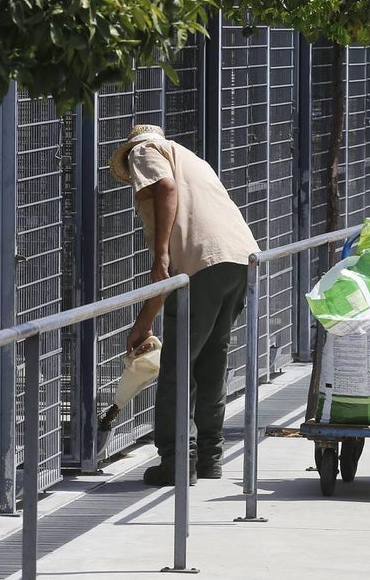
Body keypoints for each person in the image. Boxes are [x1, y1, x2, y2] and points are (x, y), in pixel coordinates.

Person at [108, 124, 259, 486]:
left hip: (201, 265)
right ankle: (209, 457)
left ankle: (176, 460)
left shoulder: (144, 151)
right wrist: (145, 323)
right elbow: (174, 273)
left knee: (178, 367)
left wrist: (159, 253)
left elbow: (164, 189)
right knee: (211, 363)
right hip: (240, 260)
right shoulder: (190, 159)